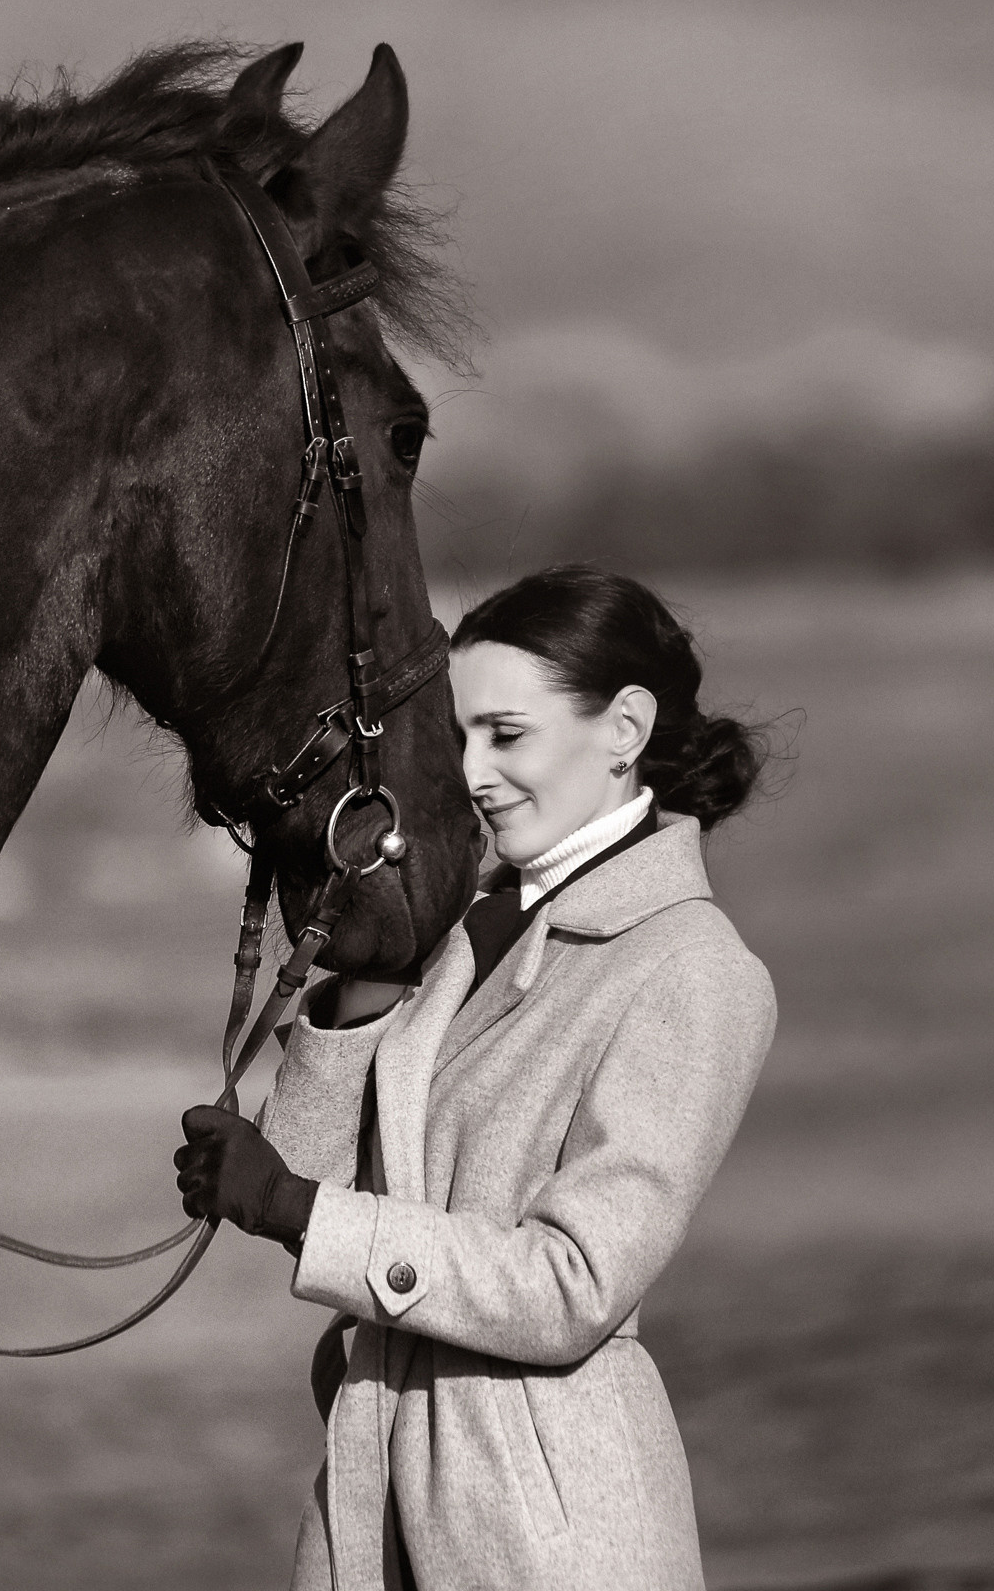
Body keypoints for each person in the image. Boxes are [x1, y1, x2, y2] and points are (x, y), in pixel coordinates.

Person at [173, 565, 777, 1591]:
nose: (476, 773)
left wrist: (292, 1207)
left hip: (554, 1530)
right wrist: (366, 975)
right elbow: (327, 1188)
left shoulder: (695, 968)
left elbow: (570, 1287)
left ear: (624, 727)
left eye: (508, 733)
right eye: (459, 739)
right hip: (372, 1511)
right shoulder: (465, 926)